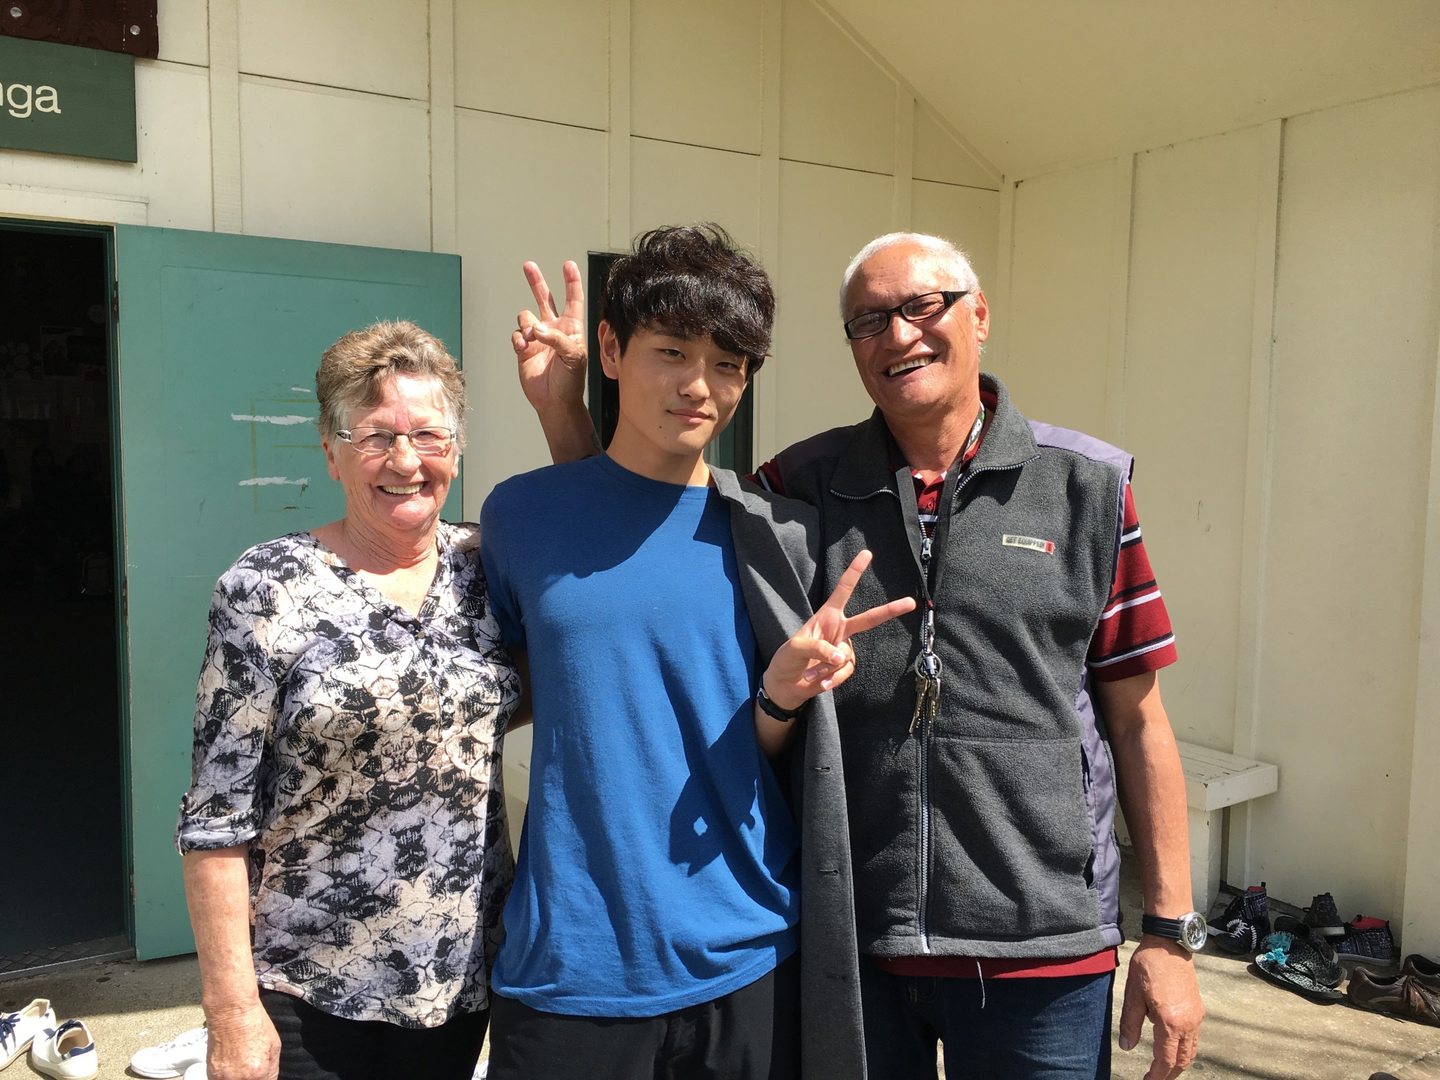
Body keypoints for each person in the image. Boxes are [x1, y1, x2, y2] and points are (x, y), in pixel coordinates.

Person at [522, 231, 1204, 1080]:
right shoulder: (798, 487)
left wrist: (1169, 934)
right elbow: (637, 536)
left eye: (924, 306)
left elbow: (1138, 722)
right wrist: (566, 414)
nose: (899, 335)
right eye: (869, 321)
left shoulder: (1086, 488)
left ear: (979, 316)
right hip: (852, 939)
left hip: (1043, 942)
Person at [483, 224, 913, 1080]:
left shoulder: (776, 535)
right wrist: (562, 413)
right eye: (672, 351)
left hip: (749, 950)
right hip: (572, 962)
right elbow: (546, 676)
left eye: (728, 363)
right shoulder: (519, 516)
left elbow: (756, 747)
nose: (698, 386)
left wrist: (781, 698)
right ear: (611, 350)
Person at [176, 322, 517, 1080]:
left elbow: (514, 690)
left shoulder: (491, 569)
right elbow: (215, 816)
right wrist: (230, 1009)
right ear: (331, 454)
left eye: (428, 435)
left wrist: (562, 404)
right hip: (307, 981)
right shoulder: (266, 587)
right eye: (375, 437)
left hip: (457, 976)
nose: (406, 460)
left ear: (456, 447)